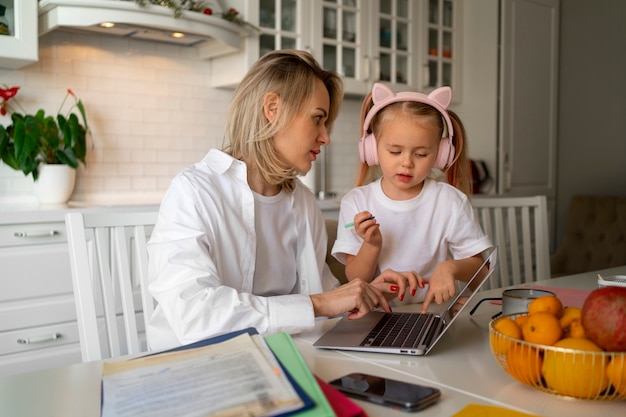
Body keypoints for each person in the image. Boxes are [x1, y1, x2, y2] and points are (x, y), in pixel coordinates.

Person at [146, 50, 413, 351]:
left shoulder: (303, 203)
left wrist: (364, 294)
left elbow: (323, 298)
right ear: (273, 108)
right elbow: (194, 314)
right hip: (195, 366)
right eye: (317, 119)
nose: (326, 137)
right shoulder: (194, 191)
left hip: (280, 358)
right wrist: (321, 303)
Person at [331, 83, 492, 313]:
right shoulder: (356, 202)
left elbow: (481, 273)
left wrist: (451, 268)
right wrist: (372, 244)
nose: (407, 162)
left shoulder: (449, 201)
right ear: (372, 149)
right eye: (395, 151)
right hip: (380, 316)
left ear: (440, 154)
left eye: (421, 154)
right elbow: (356, 278)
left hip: (434, 313)